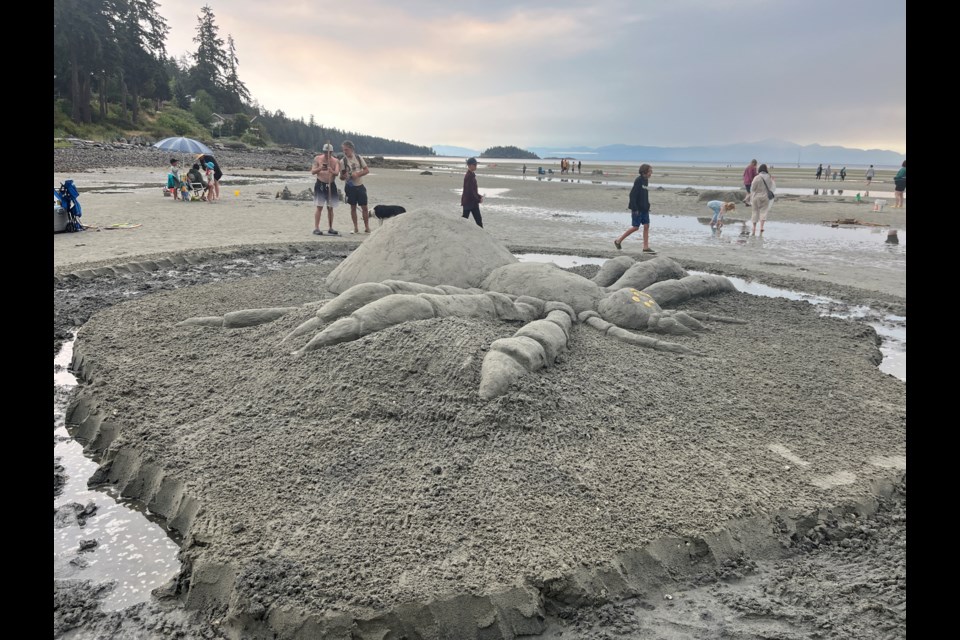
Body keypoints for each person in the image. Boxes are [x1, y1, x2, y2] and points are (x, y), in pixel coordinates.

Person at [614, 164, 655, 253]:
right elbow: (632, 195)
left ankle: (645, 247)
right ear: (645, 172)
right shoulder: (639, 180)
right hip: (637, 209)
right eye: (650, 171)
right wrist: (635, 208)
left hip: (644, 208)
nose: (651, 173)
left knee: (646, 226)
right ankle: (618, 241)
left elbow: (644, 194)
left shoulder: (646, 180)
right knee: (636, 227)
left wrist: (647, 205)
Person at [339, 140, 371, 234]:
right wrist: (344, 176)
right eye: (343, 150)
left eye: (346, 149)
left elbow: (367, 170)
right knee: (353, 207)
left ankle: (367, 227)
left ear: (352, 149)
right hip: (350, 187)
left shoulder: (358, 158)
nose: (345, 152)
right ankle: (356, 228)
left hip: (360, 186)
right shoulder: (342, 161)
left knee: (364, 207)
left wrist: (358, 174)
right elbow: (341, 176)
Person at [310, 142, 341, 235]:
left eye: (329, 152)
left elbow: (337, 173)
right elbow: (312, 171)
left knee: (330, 208)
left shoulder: (336, 161)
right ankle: (316, 228)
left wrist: (331, 170)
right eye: (326, 152)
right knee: (319, 206)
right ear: (323, 151)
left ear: (332, 152)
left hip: (331, 185)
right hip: (320, 184)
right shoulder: (317, 159)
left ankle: (330, 227)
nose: (327, 154)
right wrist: (320, 168)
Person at [749, 163, 775, 235]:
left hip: (756, 196)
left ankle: (754, 227)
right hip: (766, 197)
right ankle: (761, 227)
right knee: (763, 212)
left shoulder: (757, 177)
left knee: (755, 211)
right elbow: (771, 187)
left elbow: (753, 188)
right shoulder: (769, 177)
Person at [461, 157, 484, 227]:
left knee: (478, 220)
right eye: (475, 165)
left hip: (472, 202)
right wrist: (478, 199)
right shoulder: (469, 176)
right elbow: (470, 191)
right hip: (468, 202)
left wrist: (479, 196)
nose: (476, 166)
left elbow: (473, 190)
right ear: (470, 165)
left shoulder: (471, 175)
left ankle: (482, 235)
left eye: (476, 164)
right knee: (464, 220)